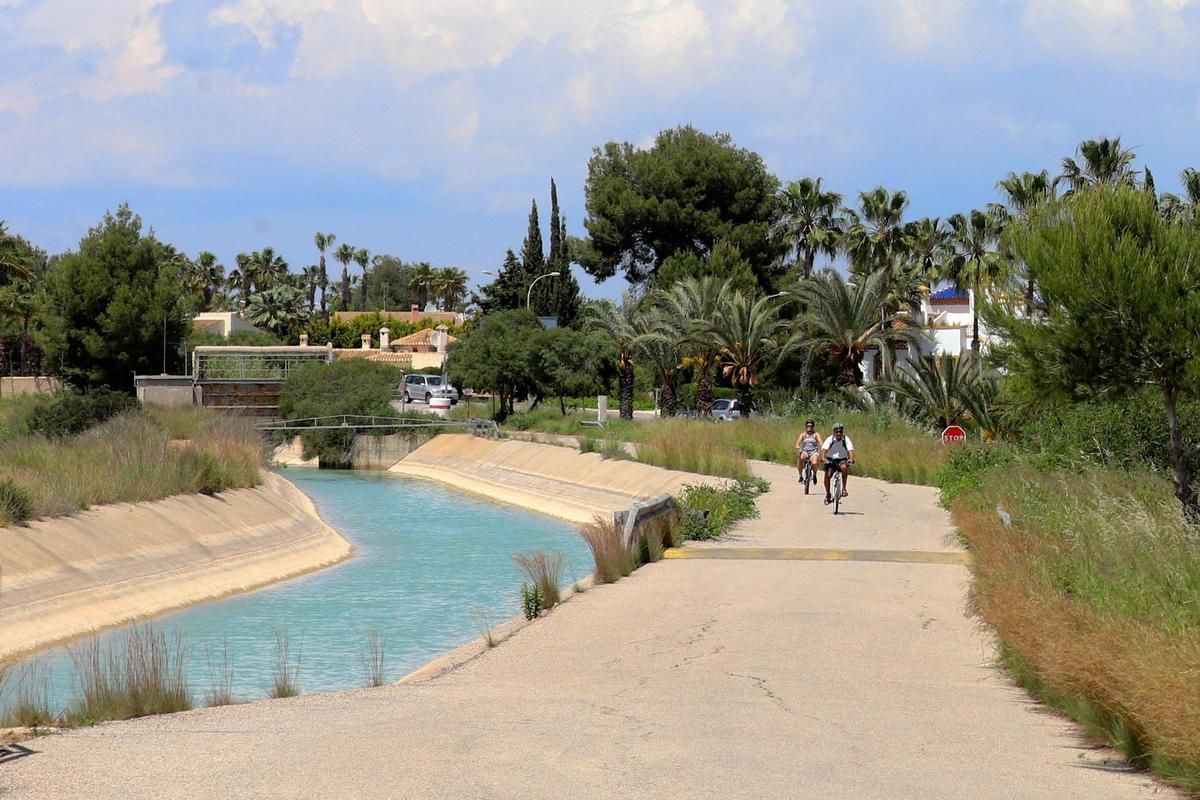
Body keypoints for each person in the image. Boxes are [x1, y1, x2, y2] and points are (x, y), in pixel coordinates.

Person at [821, 423, 855, 505]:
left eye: (840, 431)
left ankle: (843, 488)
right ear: (834, 432)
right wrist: (823, 458)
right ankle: (828, 495)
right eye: (837, 432)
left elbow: (851, 450)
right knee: (828, 475)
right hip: (831, 459)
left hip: (842, 459)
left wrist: (851, 459)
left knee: (844, 467)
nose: (839, 433)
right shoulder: (830, 439)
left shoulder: (845, 439)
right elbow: (824, 449)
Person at [794, 419, 822, 484]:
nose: (809, 427)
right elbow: (798, 443)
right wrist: (798, 447)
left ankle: (814, 474)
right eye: (807, 426)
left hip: (814, 451)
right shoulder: (803, 435)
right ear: (805, 427)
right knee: (801, 458)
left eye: (811, 426)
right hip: (805, 451)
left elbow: (820, 442)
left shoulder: (816, 434)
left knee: (814, 463)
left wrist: (822, 448)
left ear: (813, 427)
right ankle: (800, 475)